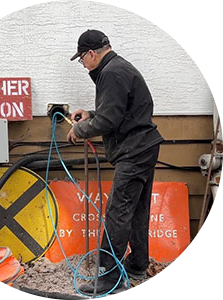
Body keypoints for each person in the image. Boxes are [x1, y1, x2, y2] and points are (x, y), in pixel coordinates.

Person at [67, 29, 164, 295]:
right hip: (144, 146)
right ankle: (136, 266)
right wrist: (90, 114)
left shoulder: (110, 73)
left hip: (134, 151)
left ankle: (108, 277)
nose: (83, 65)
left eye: (82, 60)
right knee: (137, 210)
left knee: (118, 213)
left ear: (91, 53)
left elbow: (109, 121)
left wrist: (80, 129)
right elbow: (119, 112)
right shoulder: (118, 68)